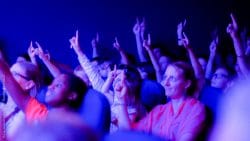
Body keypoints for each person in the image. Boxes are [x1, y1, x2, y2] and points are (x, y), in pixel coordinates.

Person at [118, 61, 206, 140]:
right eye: (165, 78)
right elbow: (128, 133)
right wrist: (122, 101)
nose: (165, 83)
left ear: (187, 84)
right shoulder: (159, 110)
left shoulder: (196, 109)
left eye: (172, 79)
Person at [0, 58, 87, 123]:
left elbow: (7, 76)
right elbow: (7, 76)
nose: (50, 87)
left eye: (58, 85)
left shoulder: (71, 128)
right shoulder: (39, 111)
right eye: (52, 84)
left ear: (71, 95)